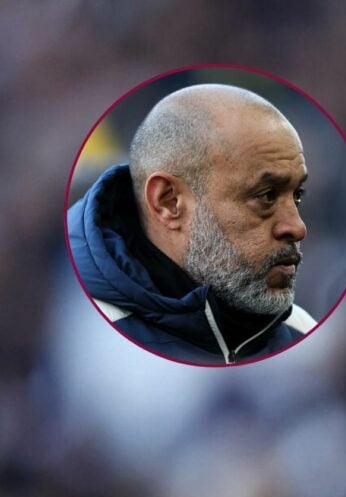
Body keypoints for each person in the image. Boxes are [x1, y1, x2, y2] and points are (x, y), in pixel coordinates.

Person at [68, 83, 316, 365]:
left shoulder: (301, 329)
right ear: (169, 202)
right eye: (266, 196)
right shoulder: (92, 341)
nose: (298, 227)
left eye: (297, 196)